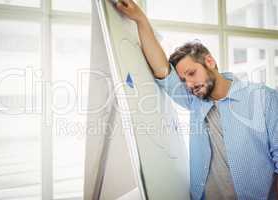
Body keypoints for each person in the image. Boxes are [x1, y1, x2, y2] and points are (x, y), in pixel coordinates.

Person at [115, 0, 278, 200]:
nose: (189, 84)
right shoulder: (194, 101)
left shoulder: (263, 98)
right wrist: (140, 19)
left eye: (192, 73)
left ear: (209, 61)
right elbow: (161, 70)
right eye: (184, 80)